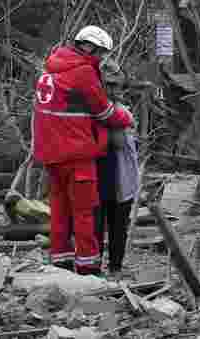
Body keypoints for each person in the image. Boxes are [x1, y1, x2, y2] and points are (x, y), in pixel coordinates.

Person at [32, 26, 133, 276]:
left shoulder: (52, 67)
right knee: (85, 213)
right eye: (100, 53)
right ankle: (88, 268)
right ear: (89, 47)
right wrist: (126, 117)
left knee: (59, 210)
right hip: (76, 154)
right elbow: (105, 112)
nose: (100, 59)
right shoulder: (82, 71)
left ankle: (61, 262)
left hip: (51, 154)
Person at [95, 100, 140, 279]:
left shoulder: (120, 113)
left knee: (116, 227)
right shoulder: (103, 115)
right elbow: (120, 140)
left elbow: (121, 141)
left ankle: (114, 267)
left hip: (120, 182)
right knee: (99, 229)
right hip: (103, 181)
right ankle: (99, 268)